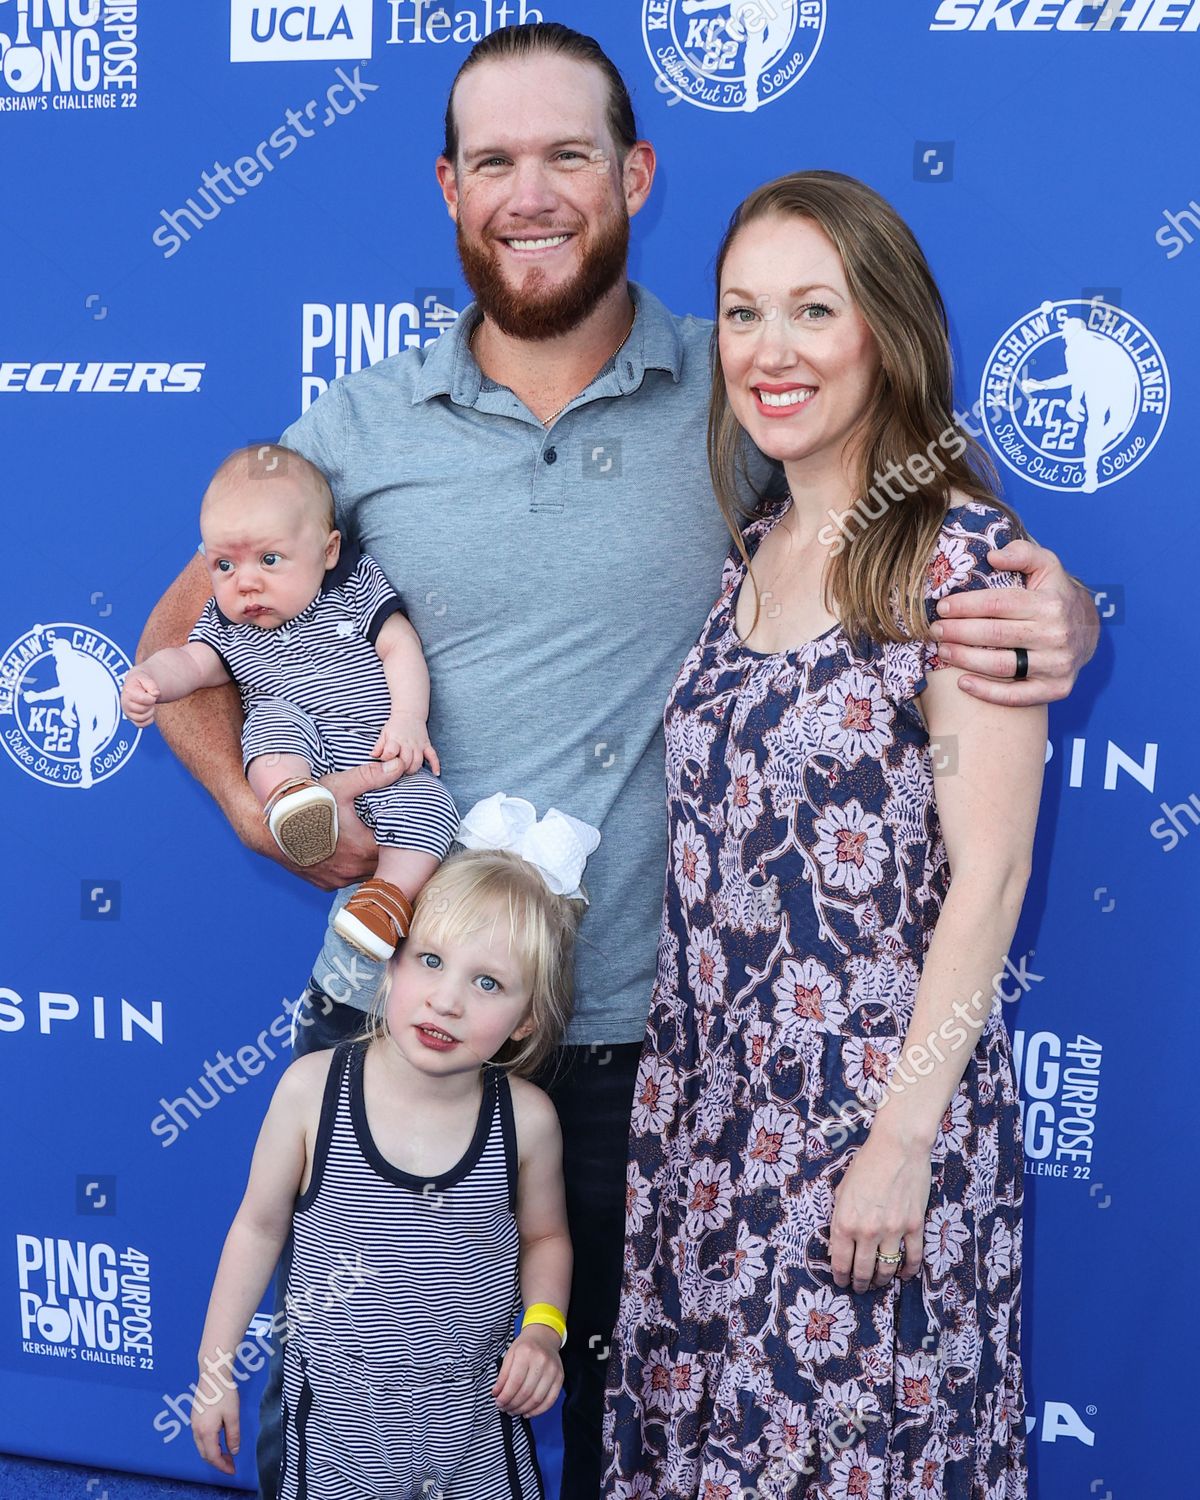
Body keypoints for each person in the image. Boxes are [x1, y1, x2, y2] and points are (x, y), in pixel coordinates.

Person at [135, 24, 1098, 1500]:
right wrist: (264, 810)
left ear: (635, 173)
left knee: (629, 1451)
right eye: (496, 161)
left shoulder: (741, 391)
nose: (533, 194)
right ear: (447, 189)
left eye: (569, 155)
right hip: (400, 1029)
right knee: (365, 1451)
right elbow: (186, 622)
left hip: (645, 1067)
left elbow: (931, 524)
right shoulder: (358, 426)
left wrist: (1062, 613)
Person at [601, 171, 1044, 1497]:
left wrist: (902, 1143)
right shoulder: (756, 544)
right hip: (708, 1132)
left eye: (813, 309)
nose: (769, 350)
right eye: (742, 313)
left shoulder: (965, 559)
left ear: (886, 333)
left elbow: (995, 871)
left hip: (869, 1135)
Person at [190, 793, 599, 1497]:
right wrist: (214, 1372)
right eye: (430, 960)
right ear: (390, 959)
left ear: (527, 1021)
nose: (447, 1000)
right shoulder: (310, 1092)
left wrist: (543, 1331)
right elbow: (257, 1229)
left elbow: (547, 1238)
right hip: (335, 1441)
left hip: (475, 1435)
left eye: (488, 983)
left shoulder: (526, 1121)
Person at [123, 445, 458, 959]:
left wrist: (409, 719)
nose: (246, 582)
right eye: (224, 565)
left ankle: (385, 900)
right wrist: (149, 679)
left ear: (327, 551)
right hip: (302, 754)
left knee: (431, 808)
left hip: (380, 754)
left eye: (270, 559)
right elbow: (189, 663)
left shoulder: (353, 588)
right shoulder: (227, 621)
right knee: (271, 724)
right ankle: (290, 802)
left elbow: (399, 644)